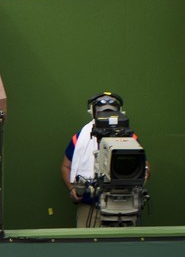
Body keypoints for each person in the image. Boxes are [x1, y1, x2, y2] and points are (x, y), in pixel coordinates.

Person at [62, 91, 147, 227]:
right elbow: (66, 166)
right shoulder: (80, 138)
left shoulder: (130, 137)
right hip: (90, 206)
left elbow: (144, 167)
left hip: (123, 205)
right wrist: (72, 188)